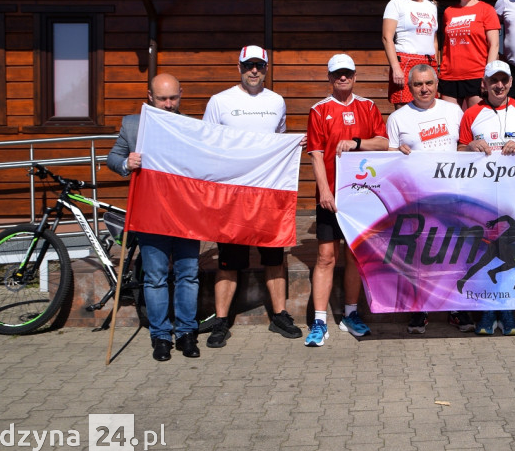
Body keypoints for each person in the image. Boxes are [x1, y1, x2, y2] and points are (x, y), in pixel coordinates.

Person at [202, 46, 301, 347]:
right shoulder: (220, 101)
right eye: (248, 65)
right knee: (229, 261)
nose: (254, 71)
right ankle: (221, 321)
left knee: (274, 255)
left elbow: (279, 139)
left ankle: (279, 315)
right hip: (232, 194)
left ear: (267, 68)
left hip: (268, 194)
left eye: (259, 65)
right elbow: (206, 143)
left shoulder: (277, 101)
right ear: (239, 67)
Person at [108, 73, 201, 362]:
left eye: (174, 97)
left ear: (181, 94)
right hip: (150, 213)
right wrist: (127, 162)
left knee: (188, 275)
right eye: (162, 98)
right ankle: (160, 337)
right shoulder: (132, 124)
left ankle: (186, 333)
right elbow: (112, 158)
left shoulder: (193, 126)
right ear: (149, 97)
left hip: (186, 212)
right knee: (156, 278)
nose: (169, 104)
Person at [306, 54, 388, 346]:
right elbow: (316, 154)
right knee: (326, 257)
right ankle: (318, 321)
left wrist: (356, 143)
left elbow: (383, 142)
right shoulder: (319, 110)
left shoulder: (368, 106)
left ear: (355, 76)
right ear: (329, 78)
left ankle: (350, 315)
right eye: (337, 74)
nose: (343, 77)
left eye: (348, 73)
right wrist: (324, 191)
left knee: (355, 256)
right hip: (331, 198)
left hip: (361, 197)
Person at [385, 63, 473, 333]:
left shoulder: (454, 111)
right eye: (417, 84)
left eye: (428, 83)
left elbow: (463, 145)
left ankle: (456, 308)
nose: (424, 89)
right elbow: (388, 161)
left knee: (453, 254)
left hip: (451, 193)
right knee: (418, 256)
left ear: (437, 85)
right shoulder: (398, 118)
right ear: (409, 88)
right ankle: (418, 309)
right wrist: (396, 152)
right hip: (417, 197)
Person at [458, 60, 515, 335]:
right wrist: (470, 146)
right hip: (481, 197)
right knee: (484, 256)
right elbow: (457, 150)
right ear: (485, 83)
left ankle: (507, 310)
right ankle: (487, 311)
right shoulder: (472, 114)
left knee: (510, 256)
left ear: (511, 82)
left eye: (504, 80)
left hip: (514, 197)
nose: (499, 85)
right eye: (494, 80)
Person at [438, 0, 500, 109]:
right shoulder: (449, 12)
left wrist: (488, 76)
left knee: (476, 123)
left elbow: (494, 45)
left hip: (476, 75)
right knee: (451, 124)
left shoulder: (487, 10)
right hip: (450, 76)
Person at [383, 0, 439, 108]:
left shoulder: (431, 6)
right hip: (406, 61)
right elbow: (387, 38)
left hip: (429, 62)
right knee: (404, 110)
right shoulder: (397, 3)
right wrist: (396, 67)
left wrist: (436, 65)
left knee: (428, 108)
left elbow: (434, 39)